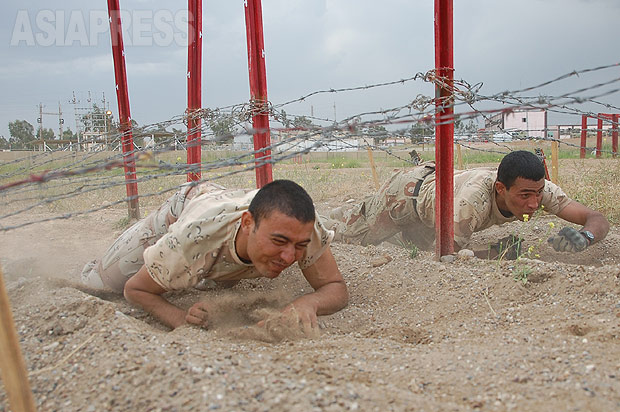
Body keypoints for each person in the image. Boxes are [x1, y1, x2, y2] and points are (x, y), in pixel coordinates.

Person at [82, 179, 348, 330]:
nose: (289, 256)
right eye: (279, 241)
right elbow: (135, 290)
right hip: (184, 210)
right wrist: (181, 320)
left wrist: (308, 302)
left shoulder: (306, 228)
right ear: (248, 224)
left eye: (299, 245)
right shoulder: (190, 241)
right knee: (99, 284)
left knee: (209, 273)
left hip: (225, 207)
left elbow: (334, 287)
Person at [324, 150, 609, 259]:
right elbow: (445, 257)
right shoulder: (472, 205)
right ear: (501, 188)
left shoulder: (537, 188)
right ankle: (314, 217)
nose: (534, 203)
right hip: (407, 196)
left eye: (538, 194)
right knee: (350, 235)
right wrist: (496, 253)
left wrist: (585, 236)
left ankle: (348, 212)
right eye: (525, 196)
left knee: (409, 245)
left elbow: (596, 217)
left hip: (435, 209)